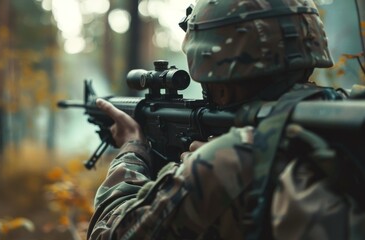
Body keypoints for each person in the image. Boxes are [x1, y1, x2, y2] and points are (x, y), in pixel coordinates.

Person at [86, 0, 365, 239]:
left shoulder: (229, 160)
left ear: (214, 65)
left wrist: (131, 150)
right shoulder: (345, 118)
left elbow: (108, 233)